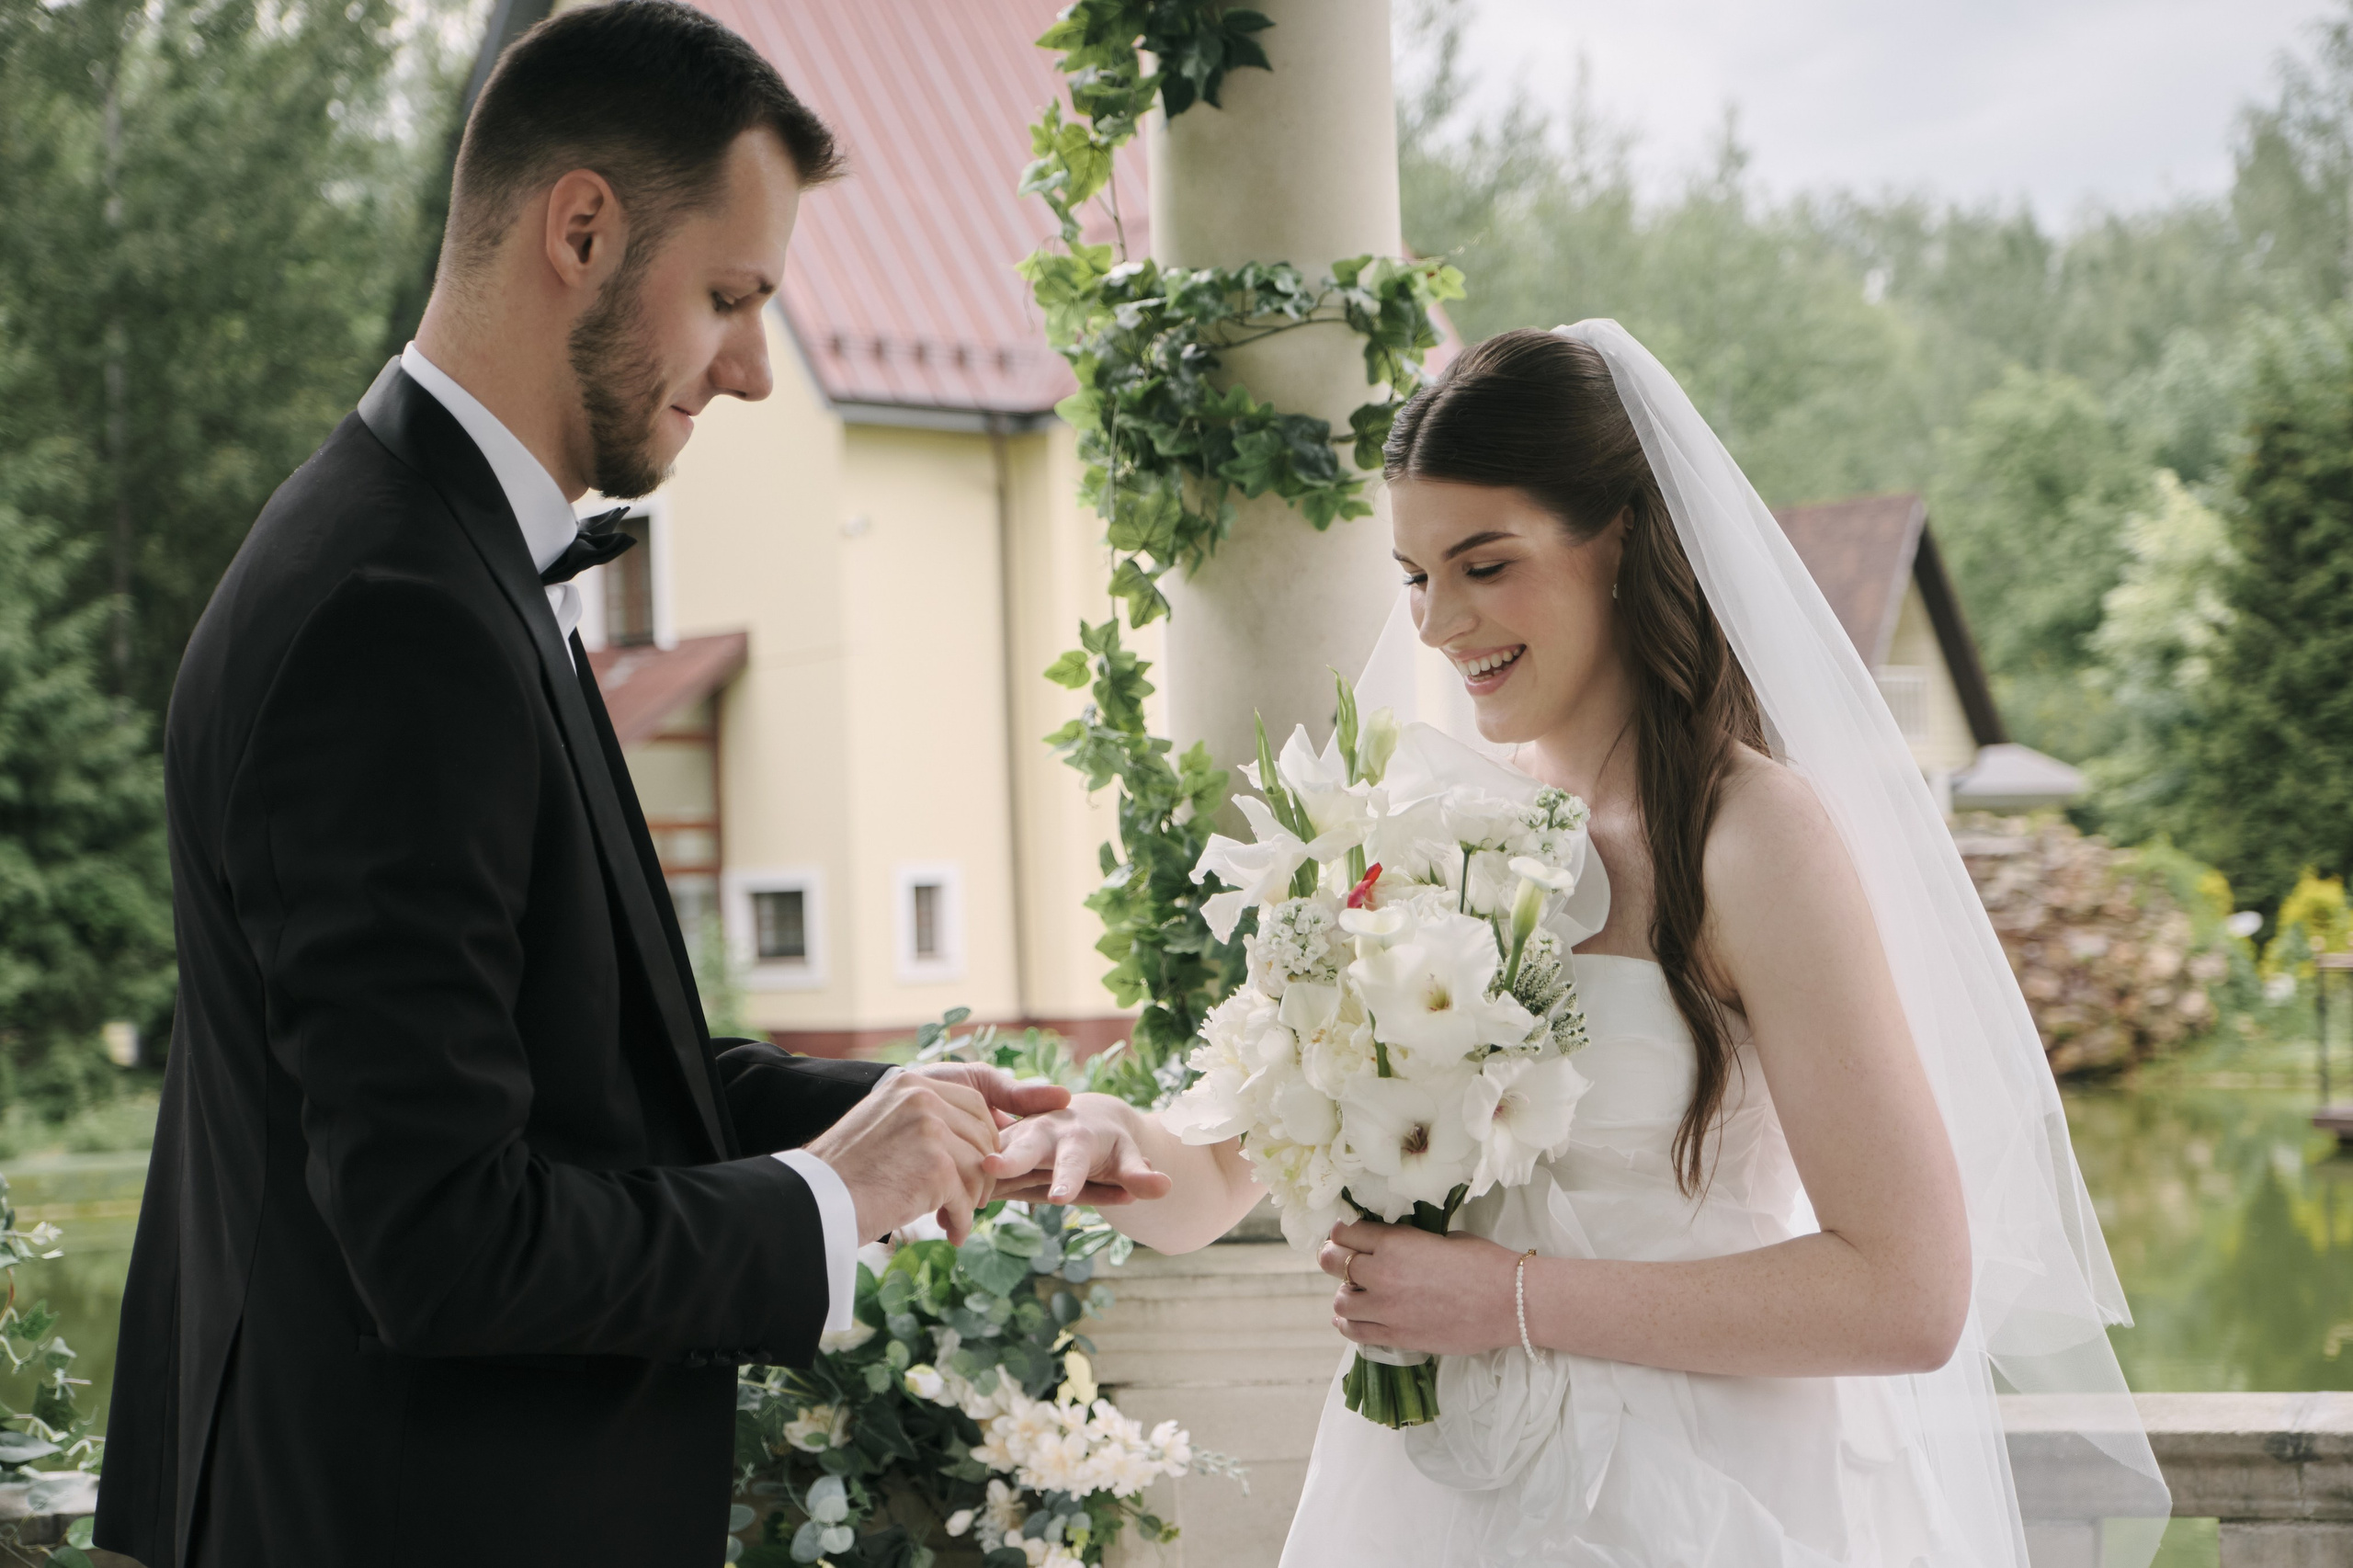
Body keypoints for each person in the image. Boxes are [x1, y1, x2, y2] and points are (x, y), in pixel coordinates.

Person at [93, 6, 1124, 1563]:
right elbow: (443, 1240)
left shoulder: (446, 561)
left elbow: (583, 1069)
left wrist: (918, 1120)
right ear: (581, 227)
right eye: (728, 295)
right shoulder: (395, 612)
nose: (758, 371)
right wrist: (820, 1200)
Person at [988, 324, 2168, 1562]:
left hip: (1703, 1500)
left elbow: (1910, 1294)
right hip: (1436, 1499)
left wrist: (1506, 1300)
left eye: (1484, 564)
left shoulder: (1750, 836)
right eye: (1414, 574)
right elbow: (1216, 1185)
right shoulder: (1414, 838)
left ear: (1620, 539)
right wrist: (1109, 1140)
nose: (1440, 622)